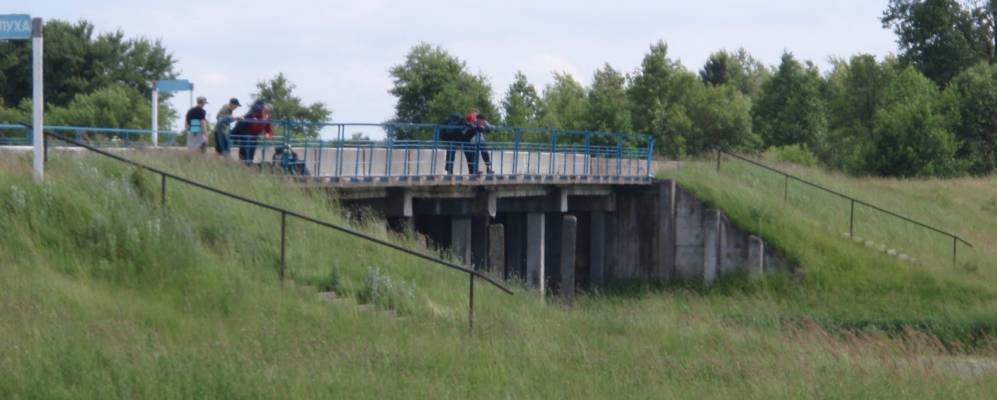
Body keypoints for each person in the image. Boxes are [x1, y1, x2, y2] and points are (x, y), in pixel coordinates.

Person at [232, 101, 273, 165]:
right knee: (247, 147)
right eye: (265, 111)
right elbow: (253, 126)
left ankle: (248, 164)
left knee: (252, 148)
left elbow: (269, 130)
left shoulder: (267, 118)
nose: (266, 113)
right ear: (263, 110)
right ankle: (246, 163)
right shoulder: (256, 113)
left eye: (268, 112)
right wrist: (260, 121)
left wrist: (268, 134)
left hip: (254, 134)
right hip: (246, 132)